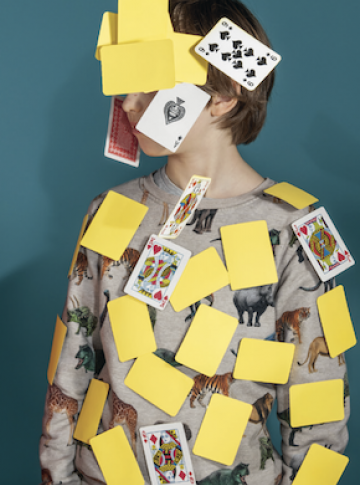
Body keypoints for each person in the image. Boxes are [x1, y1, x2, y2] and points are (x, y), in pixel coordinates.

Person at [39, 1, 348, 484]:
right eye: (125, 83)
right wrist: (58, 476)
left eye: (151, 82)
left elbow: (318, 395)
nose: (128, 102)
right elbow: (73, 360)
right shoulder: (110, 210)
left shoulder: (295, 225)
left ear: (223, 94)